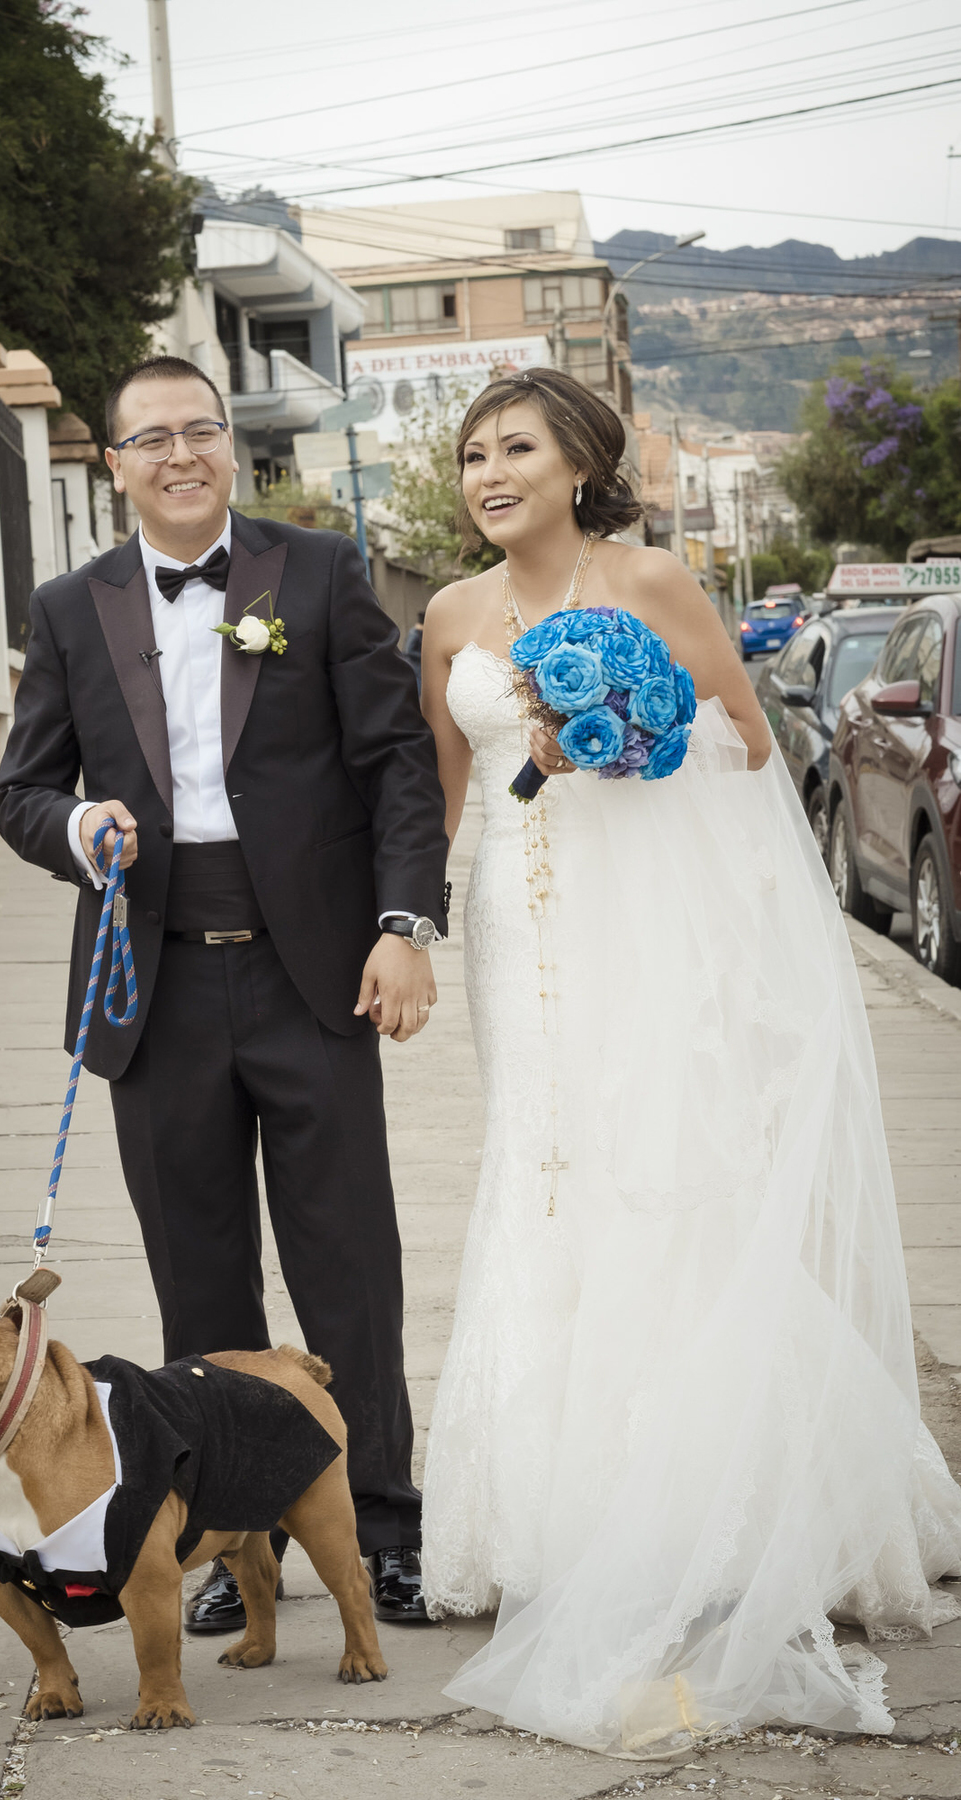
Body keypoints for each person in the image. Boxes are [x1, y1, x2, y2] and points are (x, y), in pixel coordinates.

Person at [418, 368, 961, 1754]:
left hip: (650, 935)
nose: (488, 471)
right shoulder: (448, 619)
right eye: (472, 453)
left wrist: (642, 744)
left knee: (665, 1177)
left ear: (581, 461)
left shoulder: (652, 581)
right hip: (512, 932)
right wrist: (404, 930)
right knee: (543, 1180)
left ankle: (712, 1501)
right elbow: (444, 799)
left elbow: (750, 754)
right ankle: (546, 1513)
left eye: (515, 448)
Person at [0, 355, 449, 1628]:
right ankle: (235, 1539)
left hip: (316, 974)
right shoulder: (71, 609)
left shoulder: (315, 572)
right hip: (154, 986)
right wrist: (78, 827)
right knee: (201, 1282)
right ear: (116, 464)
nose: (181, 454)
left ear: (229, 448)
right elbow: (22, 790)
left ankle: (385, 1525)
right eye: (154, 438)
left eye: (202, 429)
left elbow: (397, 759)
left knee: (349, 1266)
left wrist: (406, 923)